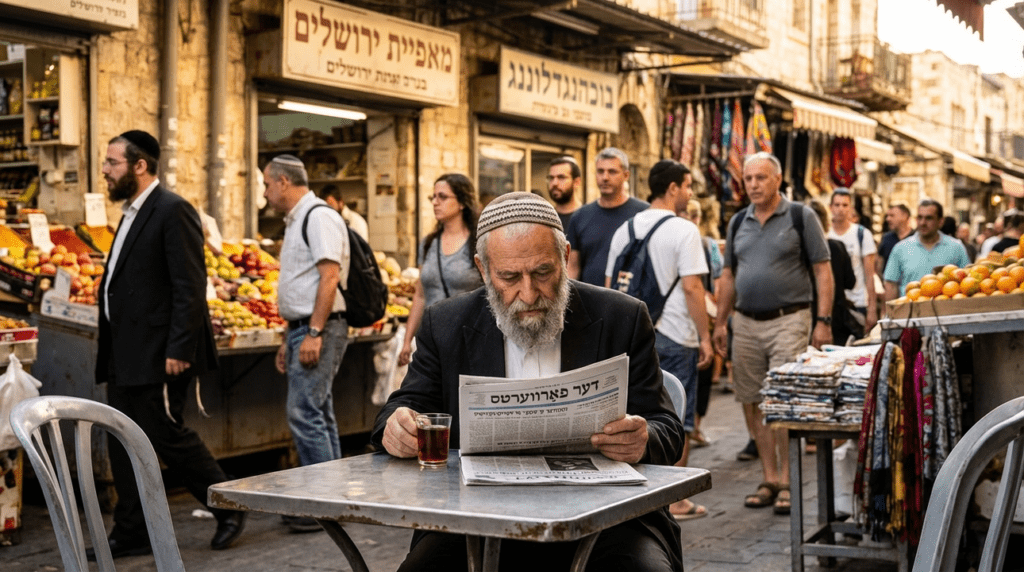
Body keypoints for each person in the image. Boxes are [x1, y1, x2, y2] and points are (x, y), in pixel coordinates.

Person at [373, 192, 685, 571]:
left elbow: (667, 428)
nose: (528, 292)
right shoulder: (447, 323)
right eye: (509, 277)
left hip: (608, 520)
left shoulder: (622, 317)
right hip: (476, 519)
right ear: (484, 269)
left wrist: (642, 438)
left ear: (565, 257)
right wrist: (396, 426)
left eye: (543, 272)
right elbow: (402, 406)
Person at [94, 130, 244, 557]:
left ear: (139, 166)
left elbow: (190, 286)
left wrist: (180, 348)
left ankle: (229, 505)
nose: (104, 170)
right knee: (121, 438)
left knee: (165, 434)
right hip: (124, 352)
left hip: (159, 354)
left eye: (111, 162)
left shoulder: (172, 209)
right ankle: (132, 530)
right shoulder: (131, 212)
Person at [714, 152, 834, 515]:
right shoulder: (738, 222)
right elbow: (728, 276)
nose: (752, 185)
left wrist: (823, 320)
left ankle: (787, 480)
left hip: (790, 318)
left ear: (777, 180)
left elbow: (822, 270)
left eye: (760, 178)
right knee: (753, 401)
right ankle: (768, 477)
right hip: (746, 322)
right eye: (748, 179)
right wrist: (720, 323)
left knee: (780, 398)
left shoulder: (801, 216)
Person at [605, 159, 712, 521]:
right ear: (672, 189)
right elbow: (693, 287)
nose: (689, 193)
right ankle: (675, 501)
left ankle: (638, 491)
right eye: (687, 186)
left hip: (633, 333)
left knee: (635, 411)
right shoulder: (684, 230)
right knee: (674, 415)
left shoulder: (625, 228)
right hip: (675, 331)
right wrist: (706, 336)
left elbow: (609, 289)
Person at [264, 154, 350, 532]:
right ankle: (332, 501)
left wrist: (313, 331)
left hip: (321, 327)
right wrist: (292, 335)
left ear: (283, 181)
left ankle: (321, 507)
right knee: (318, 413)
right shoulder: (299, 219)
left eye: (267, 184)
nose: (265, 193)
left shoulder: (319, 216)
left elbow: (329, 276)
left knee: (305, 414)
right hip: (304, 327)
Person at [398, 173, 483, 366]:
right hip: (431, 340)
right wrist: (406, 340)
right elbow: (420, 295)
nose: (435, 202)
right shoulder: (429, 243)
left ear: (462, 202)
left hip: (468, 339)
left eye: (442, 197)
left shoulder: (477, 243)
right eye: (433, 197)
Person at [565, 147, 648, 286]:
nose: (605, 177)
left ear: (626, 175)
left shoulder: (643, 214)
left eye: (612, 171)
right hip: (591, 300)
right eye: (600, 171)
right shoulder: (580, 216)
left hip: (632, 299)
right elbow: (573, 266)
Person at [684, 198, 722, 451]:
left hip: (703, 315)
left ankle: (695, 425)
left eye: (695, 214)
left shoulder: (708, 246)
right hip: (676, 320)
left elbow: (718, 282)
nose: (691, 218)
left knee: (704, 373)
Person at [883, 199, 971, 300]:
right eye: (919, 217)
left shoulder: (956, 247)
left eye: (929, 218)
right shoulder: (900, 248)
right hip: (910, 312)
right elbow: (891, 285)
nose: (922, 222)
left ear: (940, 221)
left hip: (946, 311)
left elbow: (967, 281)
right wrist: (890, 313)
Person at [828, 188, 878, 335]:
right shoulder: (824, 234)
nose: (840, 209)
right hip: (832, 305)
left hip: (857, 303)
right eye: (837, 205)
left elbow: (870, 274)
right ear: (830, 207)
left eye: (845, 205)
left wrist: (872, 309)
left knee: (858, 354)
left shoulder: (862, 234)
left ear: (851, 208)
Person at [810, 201, 858, 345]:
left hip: (809, 320)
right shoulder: (837, 247)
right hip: (836, 319)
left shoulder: (800, 252)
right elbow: (851, 283)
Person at [546, 156, 582, 229]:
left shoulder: (589, 218)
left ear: (576, 182)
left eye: (561, 177)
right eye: (551, 178)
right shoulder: (545, 220)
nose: (554, 183)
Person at [877, 202, 913, 275]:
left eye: (892, 215)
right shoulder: (886, 238)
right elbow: (879, 265)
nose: (888, 219)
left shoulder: (916, 238)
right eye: (887, 216)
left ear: (904, 216)